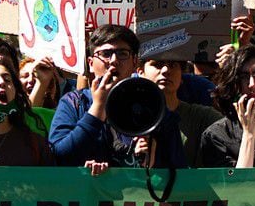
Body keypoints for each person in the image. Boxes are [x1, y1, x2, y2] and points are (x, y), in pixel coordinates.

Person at [49, 24, 185, 170]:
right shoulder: (74, 103)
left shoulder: (153, 106)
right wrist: (96, 110)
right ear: (90, 64)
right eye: (105, 54)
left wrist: (155, 159)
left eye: (122, 54)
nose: (114, 60)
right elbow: (58, 157)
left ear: (134, 62)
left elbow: (178, 170)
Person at [138, 59, 222, 167]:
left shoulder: (202, 117)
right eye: (157, 65)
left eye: (173, 65)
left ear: (182, 75)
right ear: (140, 72)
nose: (166, 70)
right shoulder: (126, 117)